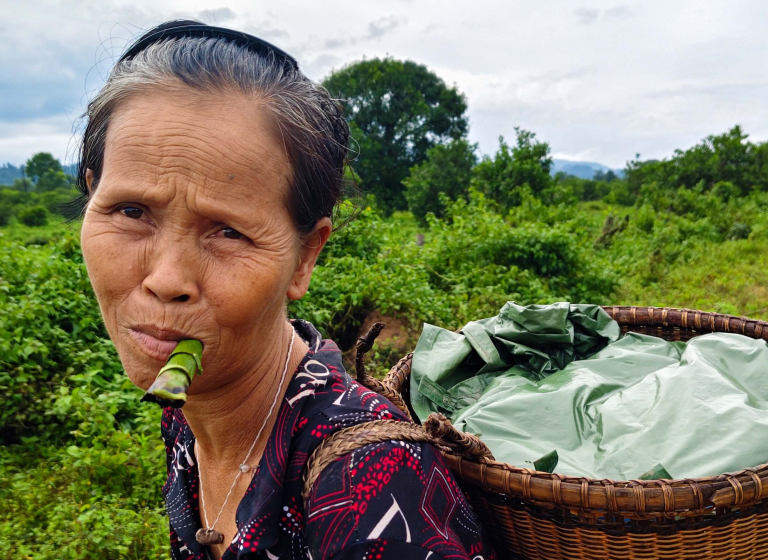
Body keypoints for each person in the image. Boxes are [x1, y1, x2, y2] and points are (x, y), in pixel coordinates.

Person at [77, 19, 495, 560]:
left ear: (305, 257)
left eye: (229, 232)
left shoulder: (374, 487)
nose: (166, 280)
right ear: (92, 197)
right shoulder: (190, 407)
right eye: (130, 211)